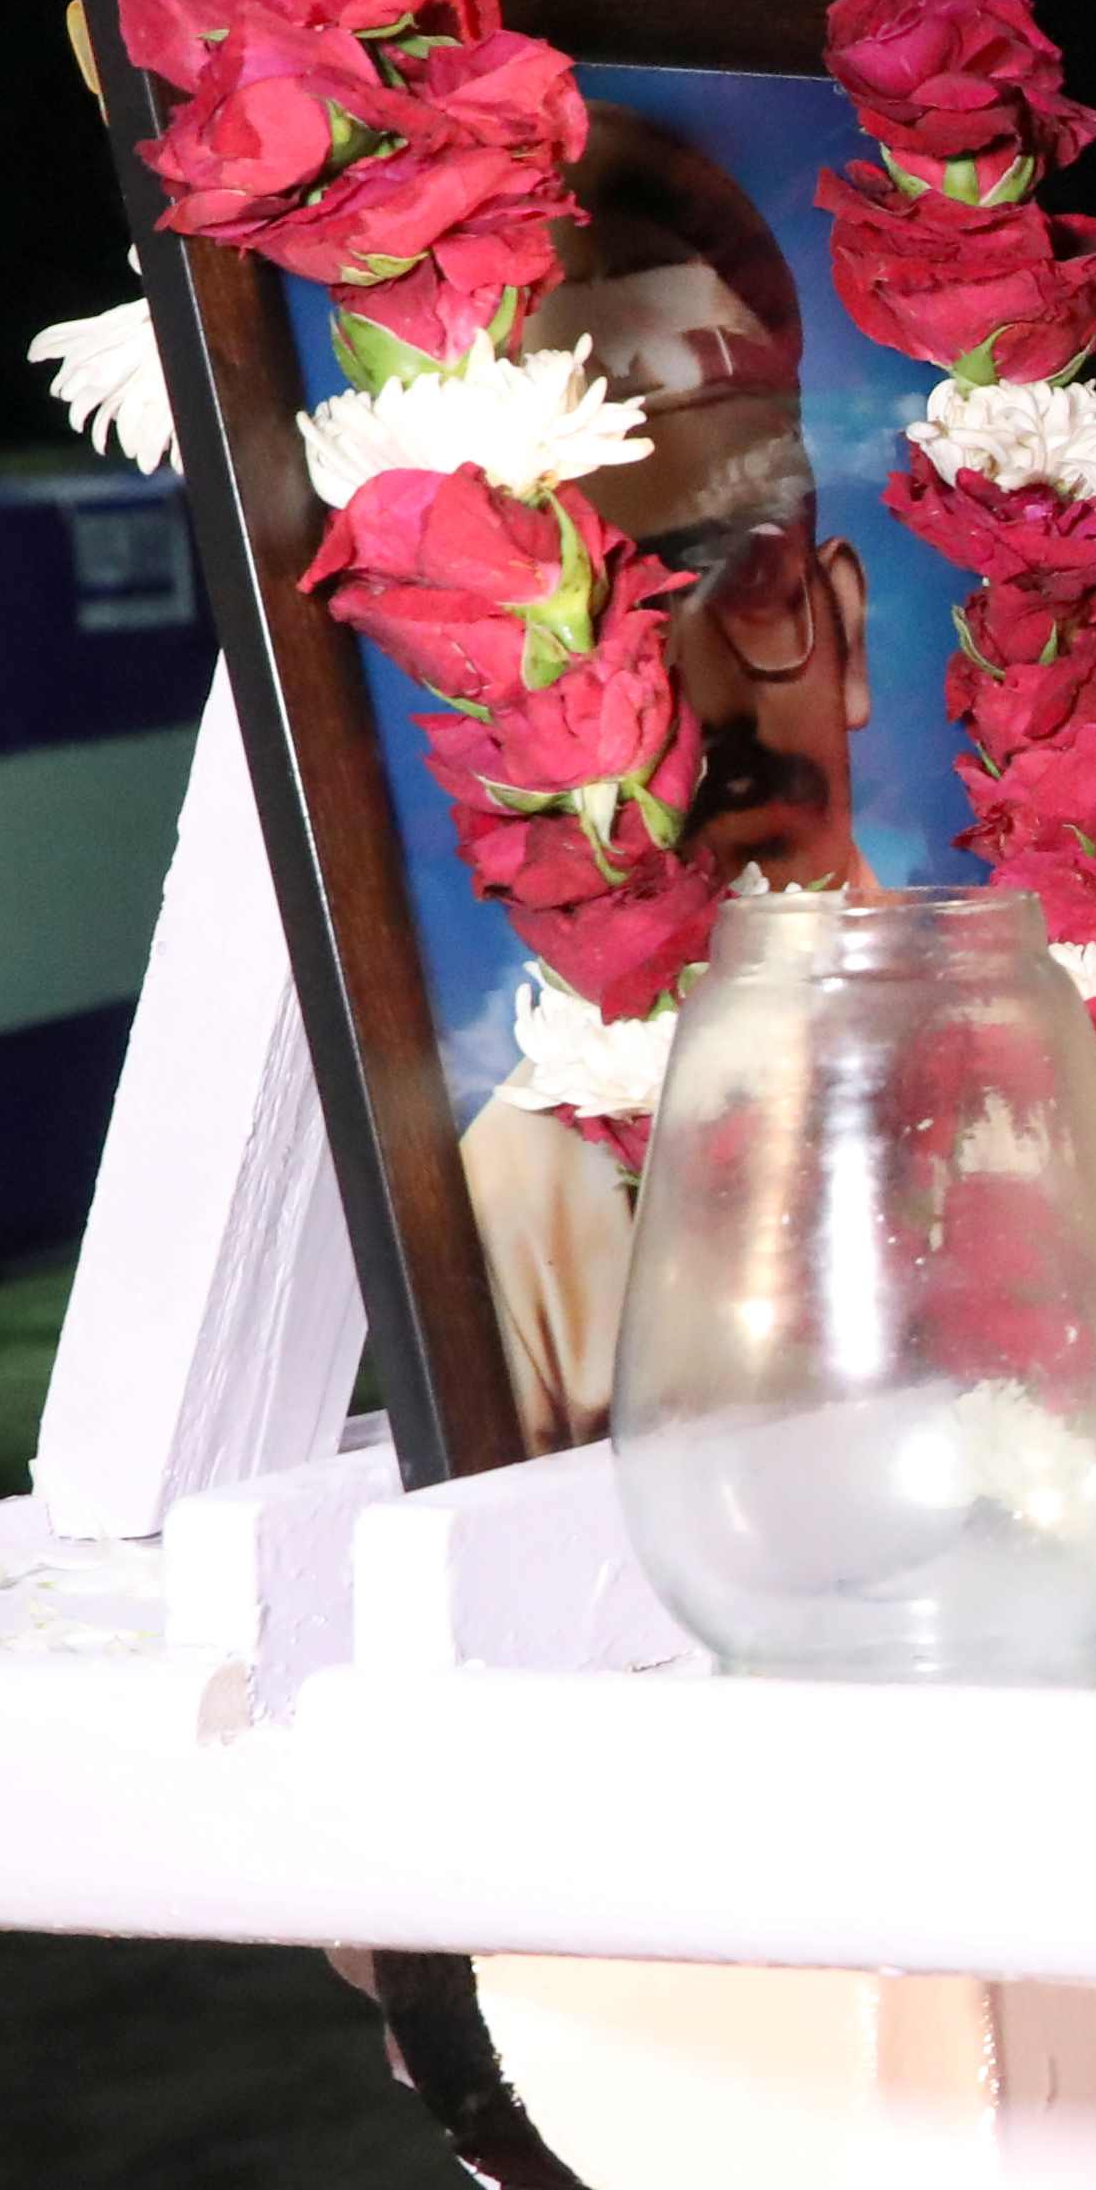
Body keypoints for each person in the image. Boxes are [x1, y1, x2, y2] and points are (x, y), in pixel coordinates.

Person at [455, 106, 880, 1440]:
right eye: (604, 631)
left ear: (846, 627)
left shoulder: (1070, 1037)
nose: (692, 703)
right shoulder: (521, 1199)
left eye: (744, 568)